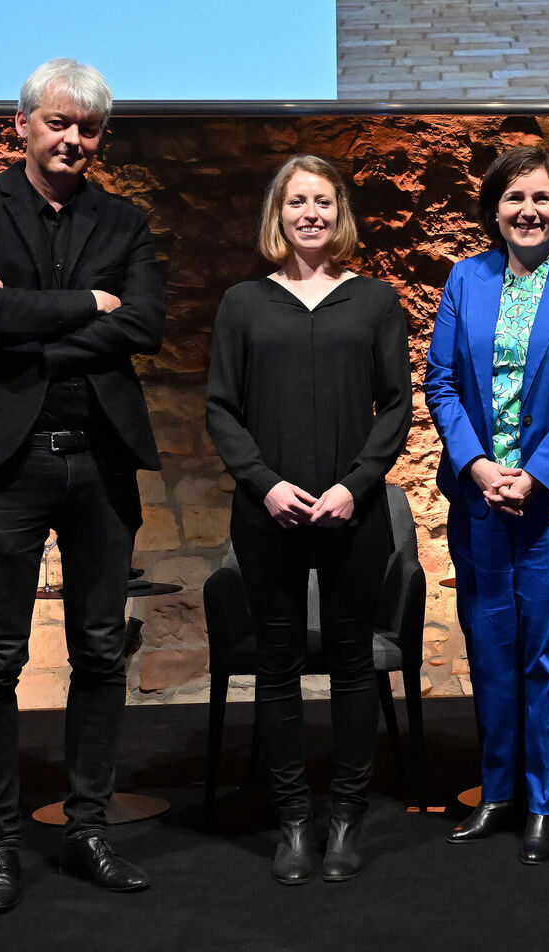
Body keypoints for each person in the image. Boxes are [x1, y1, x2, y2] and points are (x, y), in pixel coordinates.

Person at [0, 58, 165, 913]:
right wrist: (89, 305)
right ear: (24, 124)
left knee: (101, 653)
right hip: (8, 460)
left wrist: (34, 317)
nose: (74, 140)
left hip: (100, 459)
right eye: (60, 123)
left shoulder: (125, 219)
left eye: (89, 128)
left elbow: (144, 324)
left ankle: (88, 831)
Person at [206, 155, 412, 886]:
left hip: (353, 517)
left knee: (356, 668)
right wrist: (263, 485)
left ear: (340, 212)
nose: (311, 214)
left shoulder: (376, 302)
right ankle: (294, 822)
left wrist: (359, 486)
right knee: (279, 667)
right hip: (271, 517)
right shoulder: (243, 303)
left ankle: (347, 819)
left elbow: (396, 408)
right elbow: (221, 409)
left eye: (323, 201)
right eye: (297, 202)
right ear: (278, 214)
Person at [424, 146, 549, 864]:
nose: (528, 211)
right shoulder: (464, 279)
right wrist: (477, 466)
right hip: (479, 502)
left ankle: (546, 803)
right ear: (494, 210)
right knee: (491, 651)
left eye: (541, 198)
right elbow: (440, 384)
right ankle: (499, 793)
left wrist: (533, 475)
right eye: (514, 199)